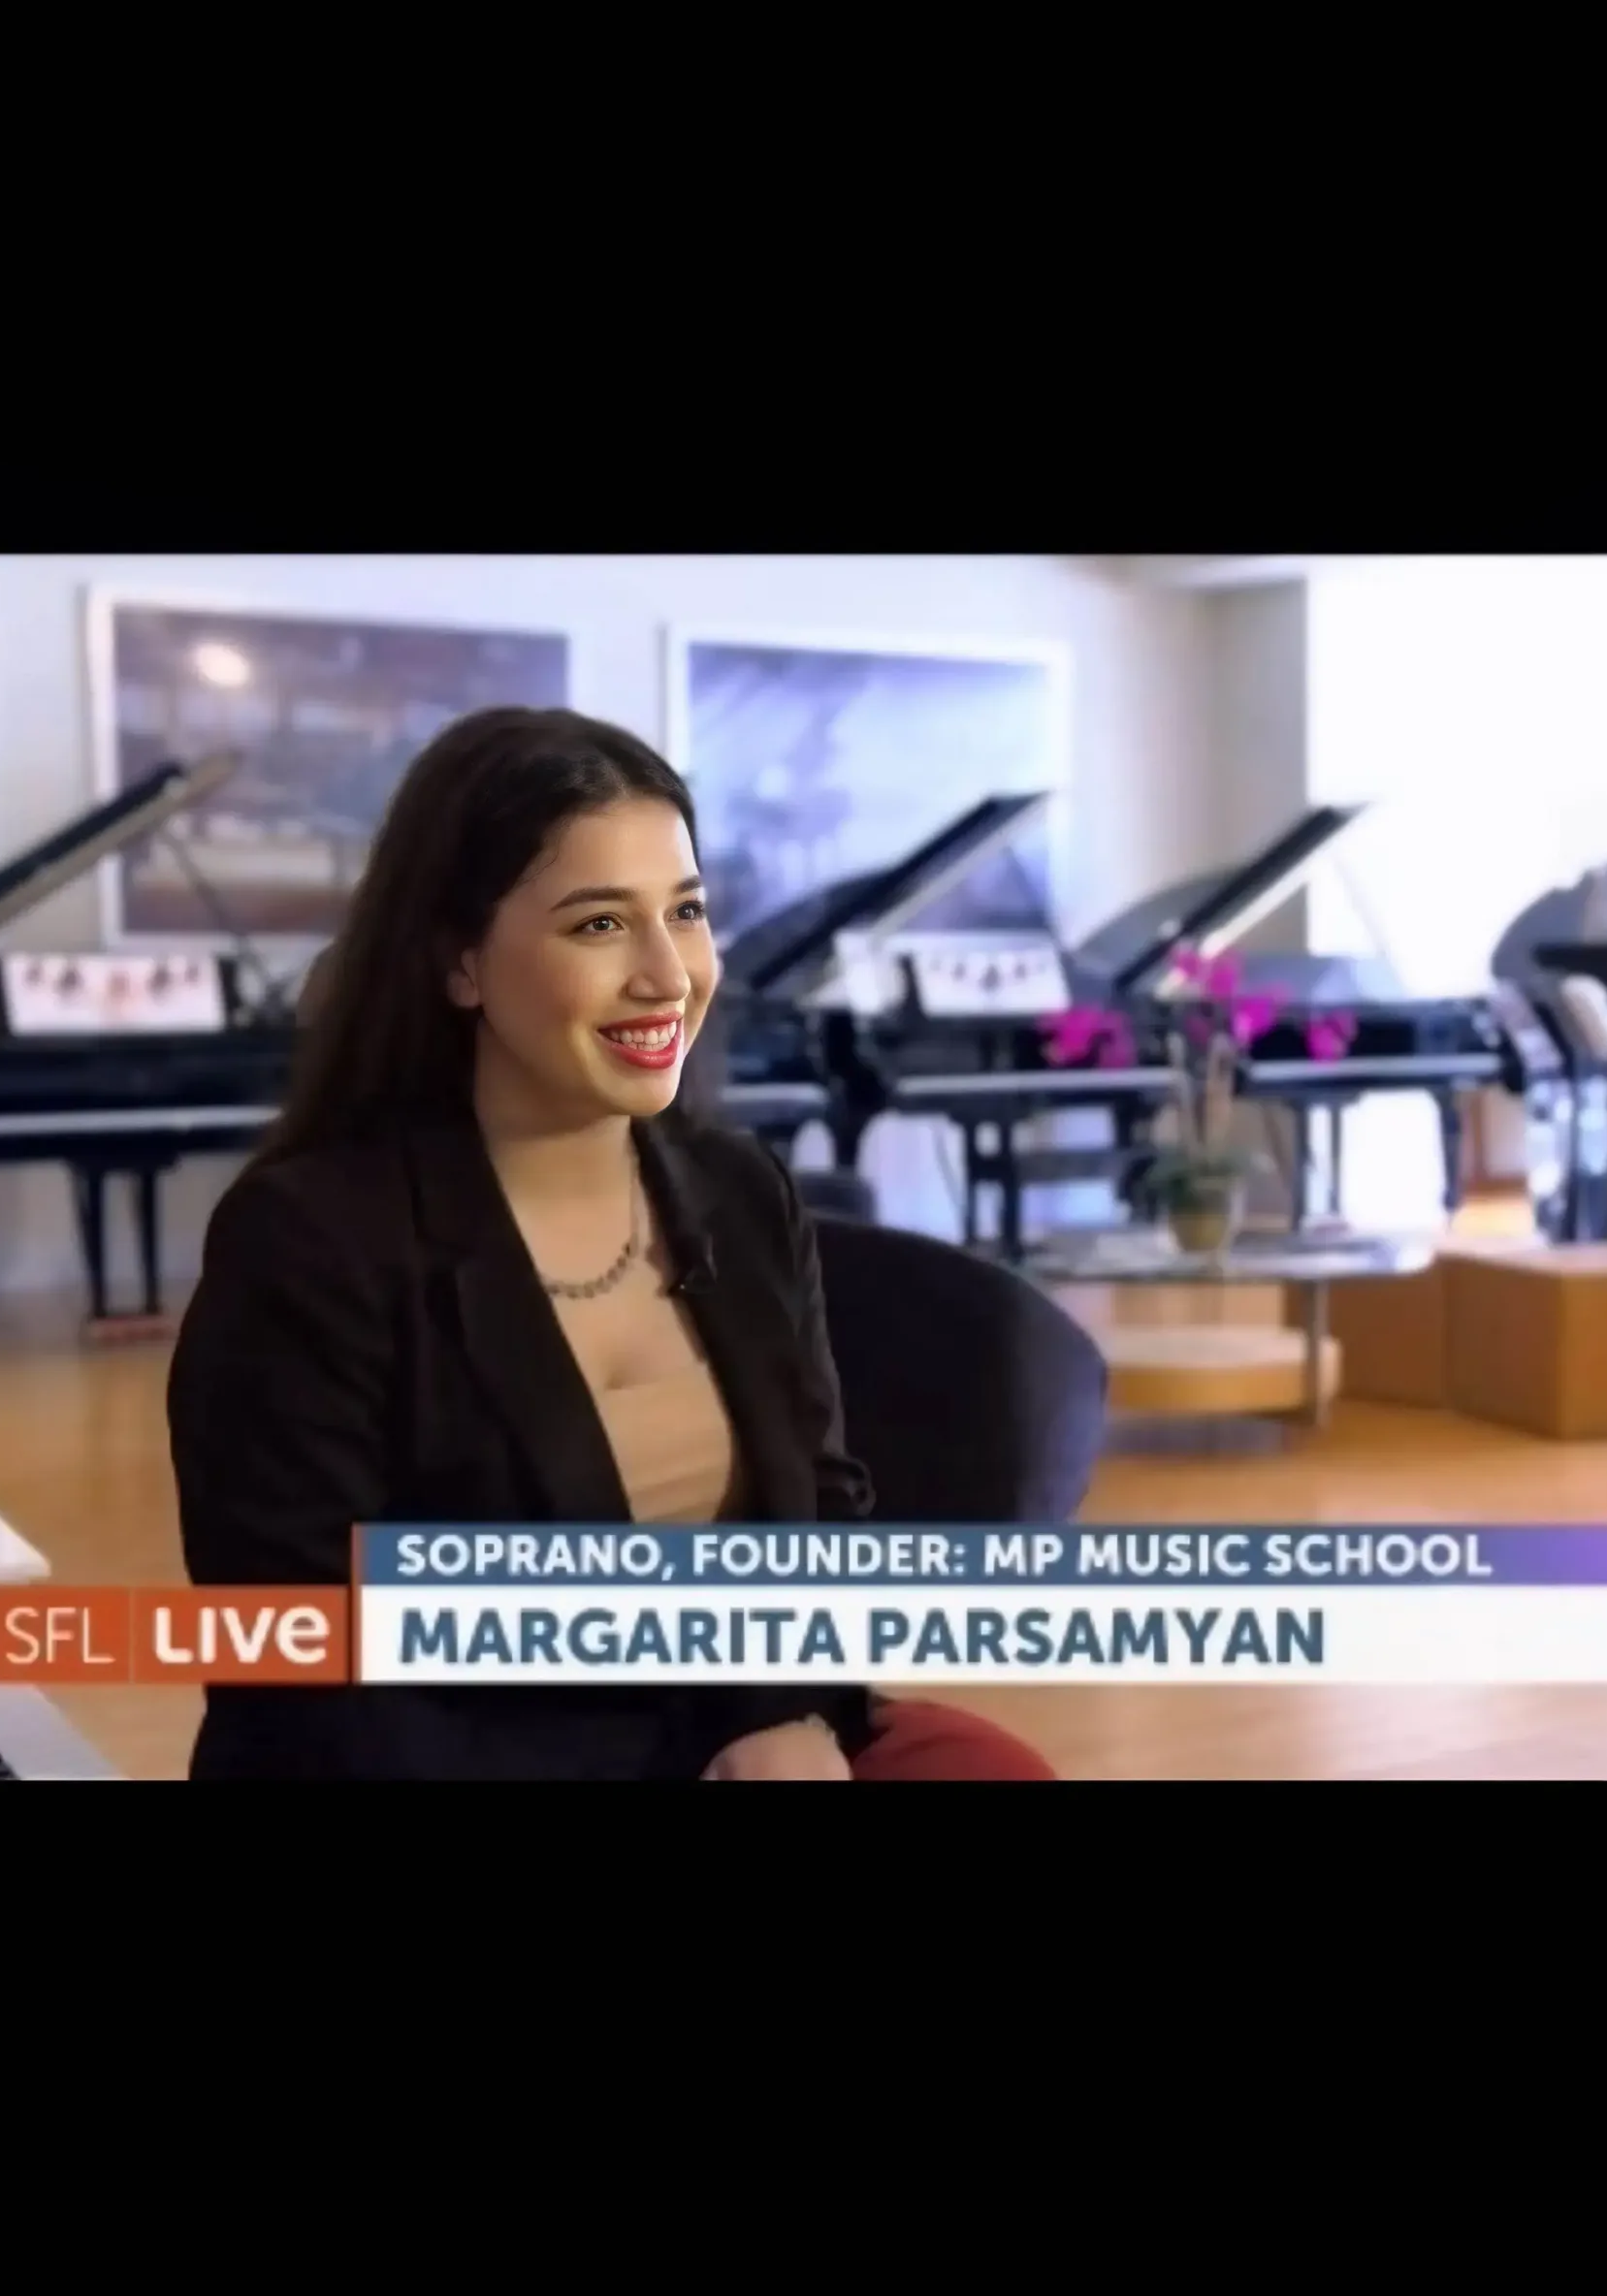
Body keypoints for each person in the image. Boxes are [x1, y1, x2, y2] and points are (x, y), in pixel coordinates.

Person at [169, 706, 1052, 1781]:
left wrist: (784, 1714)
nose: (668, 974)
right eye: (598, 924)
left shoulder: (741, 1191)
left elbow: (820, 1509)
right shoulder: (308, 1243)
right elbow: (306, 1674)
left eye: (686, 911)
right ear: (459, 962)